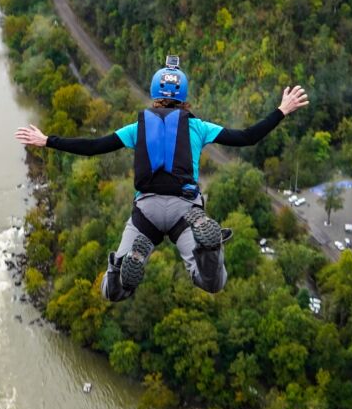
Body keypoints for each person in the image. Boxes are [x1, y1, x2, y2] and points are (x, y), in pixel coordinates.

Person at [15, 56, 308, 301]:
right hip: (186, 212)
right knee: (212, 284)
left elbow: (93, 147)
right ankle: (209, 250)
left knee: (111, 293)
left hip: (147, 213)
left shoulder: (136, 128)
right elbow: (247, 137)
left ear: (155, 96)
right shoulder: (198, 127)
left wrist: (47, 140)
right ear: (185, 100)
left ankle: (122, 271)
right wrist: (282, 110)